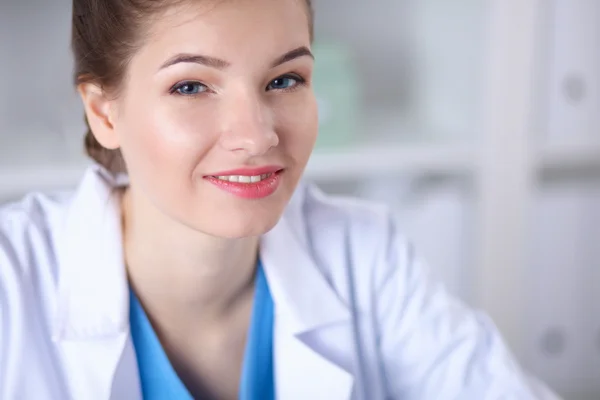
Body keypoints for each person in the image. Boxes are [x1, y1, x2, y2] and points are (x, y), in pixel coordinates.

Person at [0, 0, 561, 399]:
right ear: (105, 113)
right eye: (191, 86)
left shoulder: (363, 255)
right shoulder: (11, 284)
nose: (258, 135)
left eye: (285, 79)